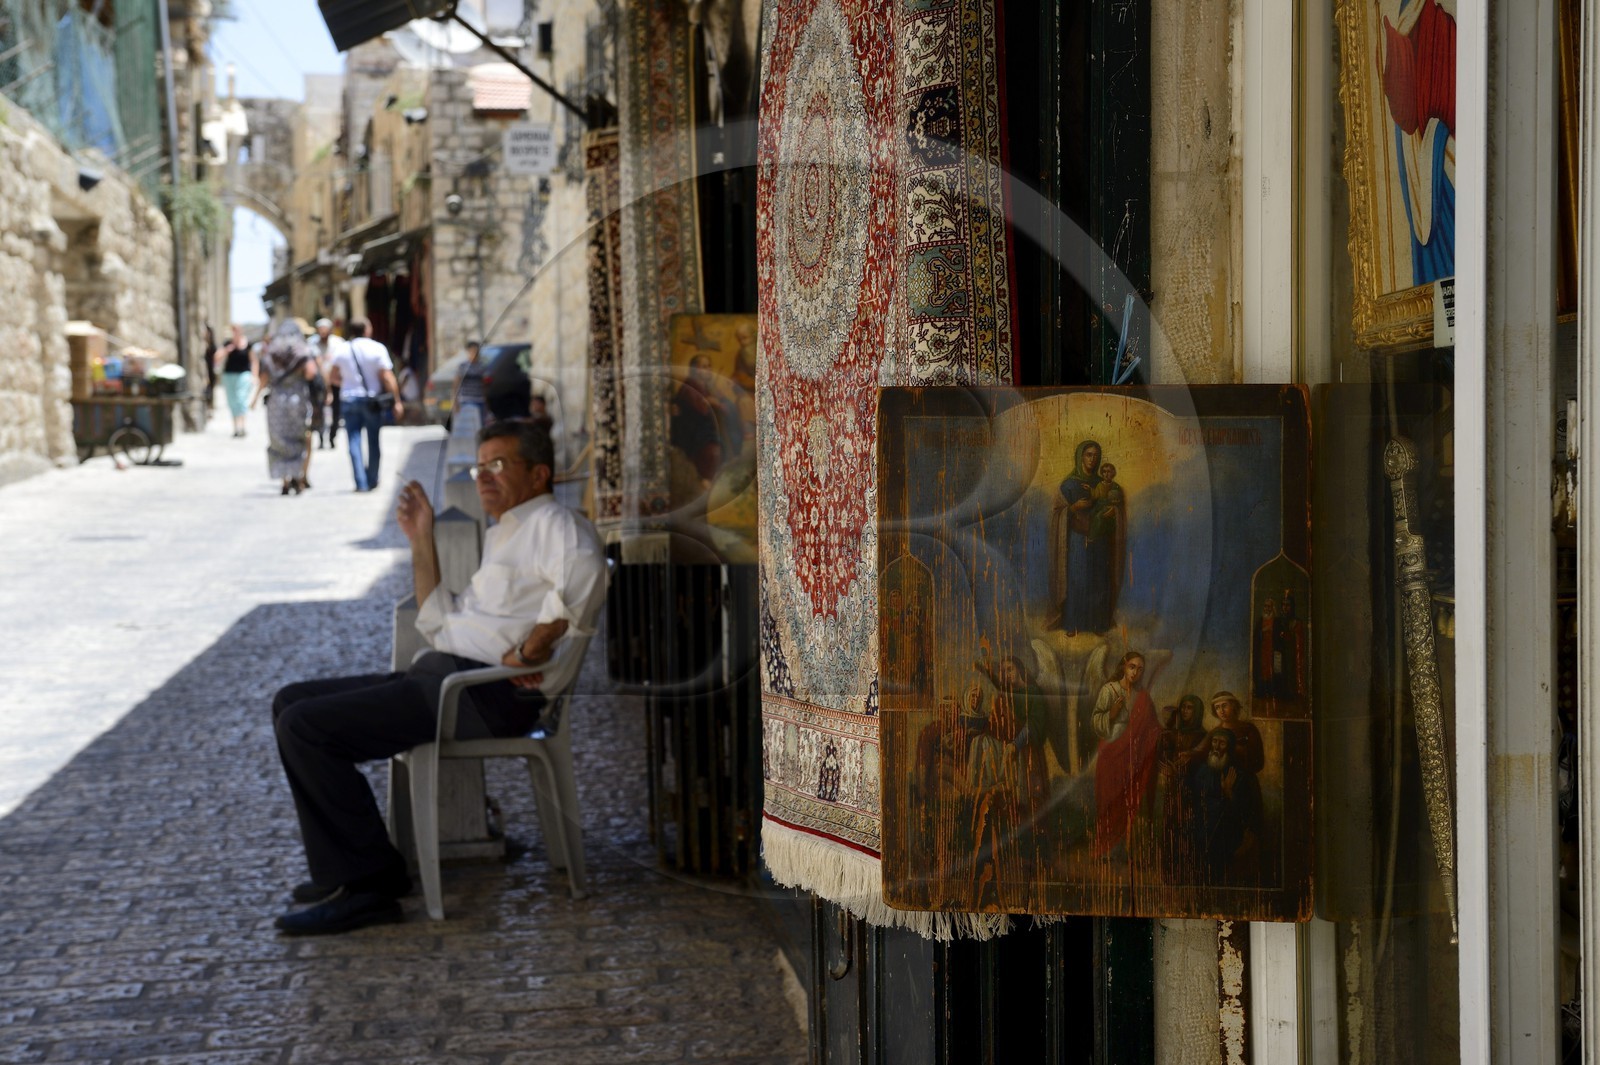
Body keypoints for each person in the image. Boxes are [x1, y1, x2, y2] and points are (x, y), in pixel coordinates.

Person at [270, 419, 605, 934]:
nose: (484, 476)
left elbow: (587, 570)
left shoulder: (554, 524)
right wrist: (421, 538)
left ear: (539, 474)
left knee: (306, 728)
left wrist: (532, 649)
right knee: (290, 701)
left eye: (499, 465)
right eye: (480, 466)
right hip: (443, 677)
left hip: (478, 694)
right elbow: (437, 623)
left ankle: (366, 888)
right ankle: (358, 869)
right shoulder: (505, 532)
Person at [1091, 651, 1161, 859]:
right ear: (1124, 666)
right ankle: (1105, 848)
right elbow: (1096, 721)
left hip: (1132, 754)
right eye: (1132, 667)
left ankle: (1124, 848)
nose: (1135, 672)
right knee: (1108, 799)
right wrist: (1111, 714)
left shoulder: (1142, 697)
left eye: (1140, 669)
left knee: (1126, 799)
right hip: (1111, 750)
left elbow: (1152, 727)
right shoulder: (1109, 689)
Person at [326, 318, 403, 491]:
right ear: (367, 330)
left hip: (349, 399)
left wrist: (347, 383)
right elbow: (387, 377)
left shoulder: (342, 349)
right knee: (373, 440)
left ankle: (360, 483)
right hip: (371, 400)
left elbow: (332, 377)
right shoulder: (377, 348)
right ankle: (372, 479)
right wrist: (397, 401)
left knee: (353, 440)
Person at [1057, 440, 1125, 634]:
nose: (1092, 459)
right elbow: (1058, 513)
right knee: (1077, 579)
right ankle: (1073, 624)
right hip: (1077, 538)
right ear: (1080, 456)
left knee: (1099, 579)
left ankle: (1098, 624)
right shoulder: (1068, 484)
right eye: (1088, 454)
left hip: (1100, 538)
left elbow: (1116, 505)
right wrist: (1074, 507)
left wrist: (1114, 512)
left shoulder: (1103, 483)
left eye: (1096, 455)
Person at [254, 320, 319, 495]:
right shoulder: (303, 351)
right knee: (298, 438)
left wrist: (254, 399)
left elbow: (263, 377)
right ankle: (297, 477)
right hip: (297, 399)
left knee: (279, 440)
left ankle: (284, 481)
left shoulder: (271, 353)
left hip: (276, 401)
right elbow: (311, 373)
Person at [309, 318, 348, 449]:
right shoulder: (312, 344)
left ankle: (332, 436)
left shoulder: (339, 343)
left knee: (336, 411)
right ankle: (321, 437)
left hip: (335, 382)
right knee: (318, 410)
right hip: (318, 384)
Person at [217, 323, 256, 438]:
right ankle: (236, 428)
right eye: (233, 330)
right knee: (232, 401)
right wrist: (227, 350)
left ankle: (242, 427)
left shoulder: (248, 344)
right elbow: (216, 357)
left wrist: (254, 376)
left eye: (237, 330)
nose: (235, 332)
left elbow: (254, 360)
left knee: (241, 399)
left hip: (244, 374)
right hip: (229, 375)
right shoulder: (228, 343)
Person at [451, 341, 488, 428]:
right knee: (468, 427)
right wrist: (455, 402)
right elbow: (455, 385)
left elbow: (484, 385)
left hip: (480, 400)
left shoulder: (482, 366)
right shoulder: (463, 366)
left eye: (476, 351)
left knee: (480, 426)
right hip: (466, 400)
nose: (475, 353)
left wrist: (486, 401)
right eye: (472, 351)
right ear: (468, 352)